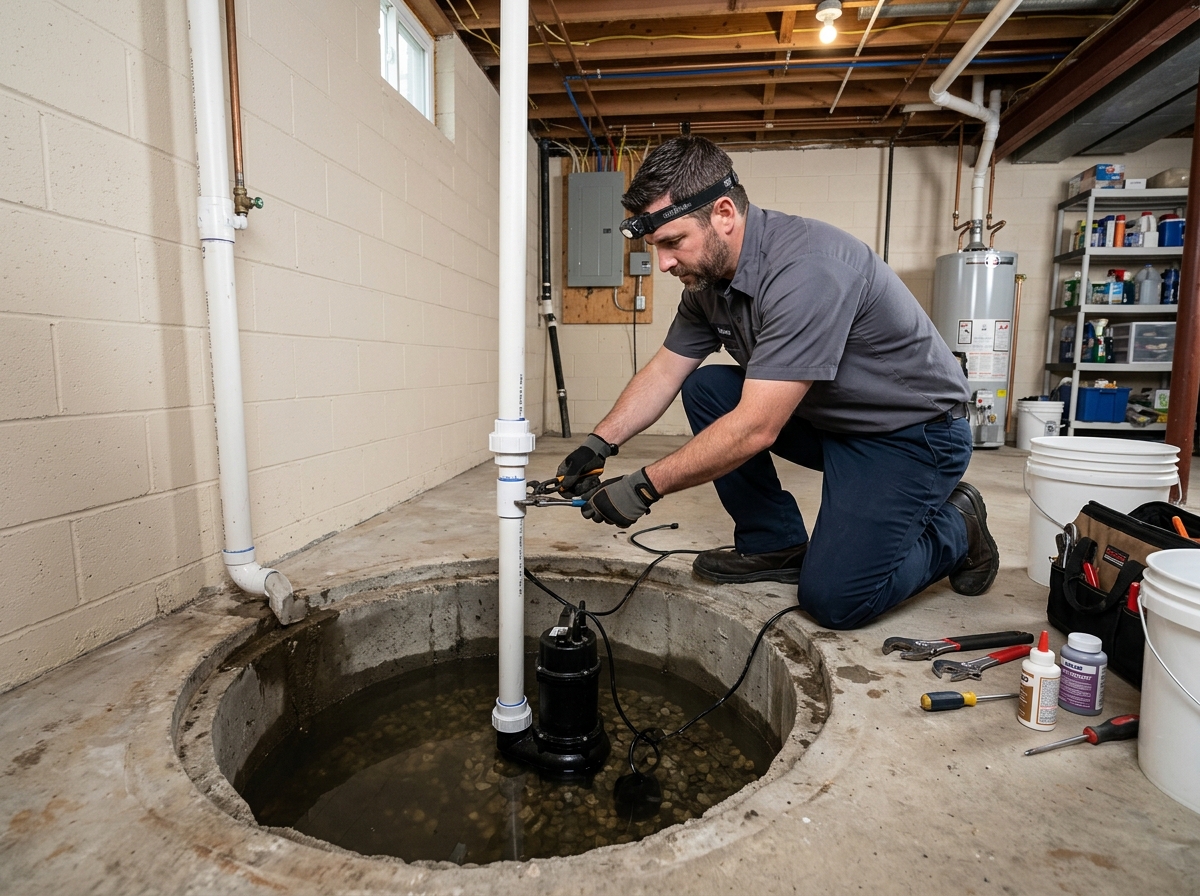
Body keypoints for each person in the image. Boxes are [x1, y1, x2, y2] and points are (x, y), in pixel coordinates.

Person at [554, 136, 998, 631]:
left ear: (723, 213)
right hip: (834, 422)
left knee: (835, 600)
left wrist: (643, 487)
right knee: (707, 388)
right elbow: (665, 370)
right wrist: (599, 443)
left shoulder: (806, 269)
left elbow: (756, 428)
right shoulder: (709, 283)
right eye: (655, 248)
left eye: (672, 243)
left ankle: (960, 524)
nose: (663, 264)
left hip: (911, 436)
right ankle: (775, 544)